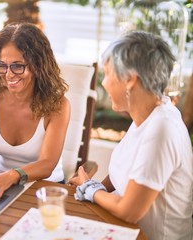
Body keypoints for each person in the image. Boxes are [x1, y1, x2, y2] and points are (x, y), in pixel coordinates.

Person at [68, 31, 193, 240]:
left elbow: (129, 210)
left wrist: (90, 189)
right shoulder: (147, 116)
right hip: (123, 229)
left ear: (130, 80)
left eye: (108, 74)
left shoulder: (161, 129)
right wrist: (98, 187)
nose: (104, 83)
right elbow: (123, 172)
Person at [0, 23, 70, 199]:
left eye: (18, 66)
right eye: (2, 65)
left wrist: (12, 176)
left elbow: (47, 164)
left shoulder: (58, 105)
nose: (9, 75)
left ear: (37, 65)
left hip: (45, 190)